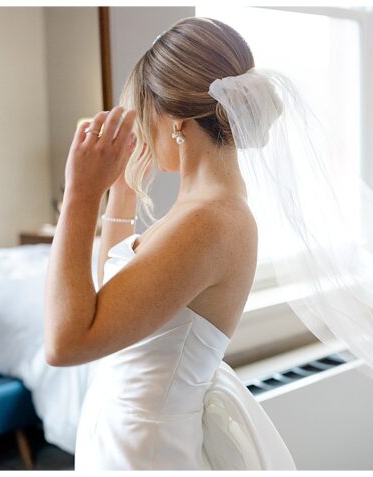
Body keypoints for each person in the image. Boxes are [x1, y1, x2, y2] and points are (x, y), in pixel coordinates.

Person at [43, 17, 294, 470]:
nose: (139, 129)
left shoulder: (210, 222)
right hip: (125, 431)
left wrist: (79, 196)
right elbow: (108, 301)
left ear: (176, 123)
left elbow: (66, 342)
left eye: (144, 112)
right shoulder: (204, 208)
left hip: (146, 450)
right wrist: (117, 191)